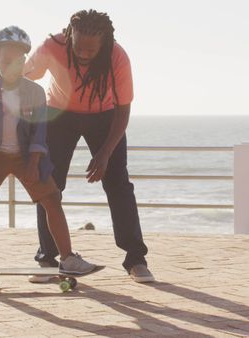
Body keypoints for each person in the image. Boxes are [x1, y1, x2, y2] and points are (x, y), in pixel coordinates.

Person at [0, 26, 96, 275]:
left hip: (29, 157)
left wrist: (34, 164)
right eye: (5, 60)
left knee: (52, 200)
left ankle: (68, 258)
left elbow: (39, 133)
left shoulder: (34, 92)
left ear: (24, 61)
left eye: (16, 60)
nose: (10, 65)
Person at [24, 10, 154, 283]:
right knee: (48, 185)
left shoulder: (117, 57)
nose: (83, 54)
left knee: (119, 185)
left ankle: (135, 259)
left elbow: (123, 109)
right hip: (59, 114)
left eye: (90, 50)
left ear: (104, 43)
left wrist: (105, 153)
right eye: (78, 46)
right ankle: (47, 259)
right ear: (69, 35)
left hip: (105, 116)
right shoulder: (52, 47)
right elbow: (21, 77)